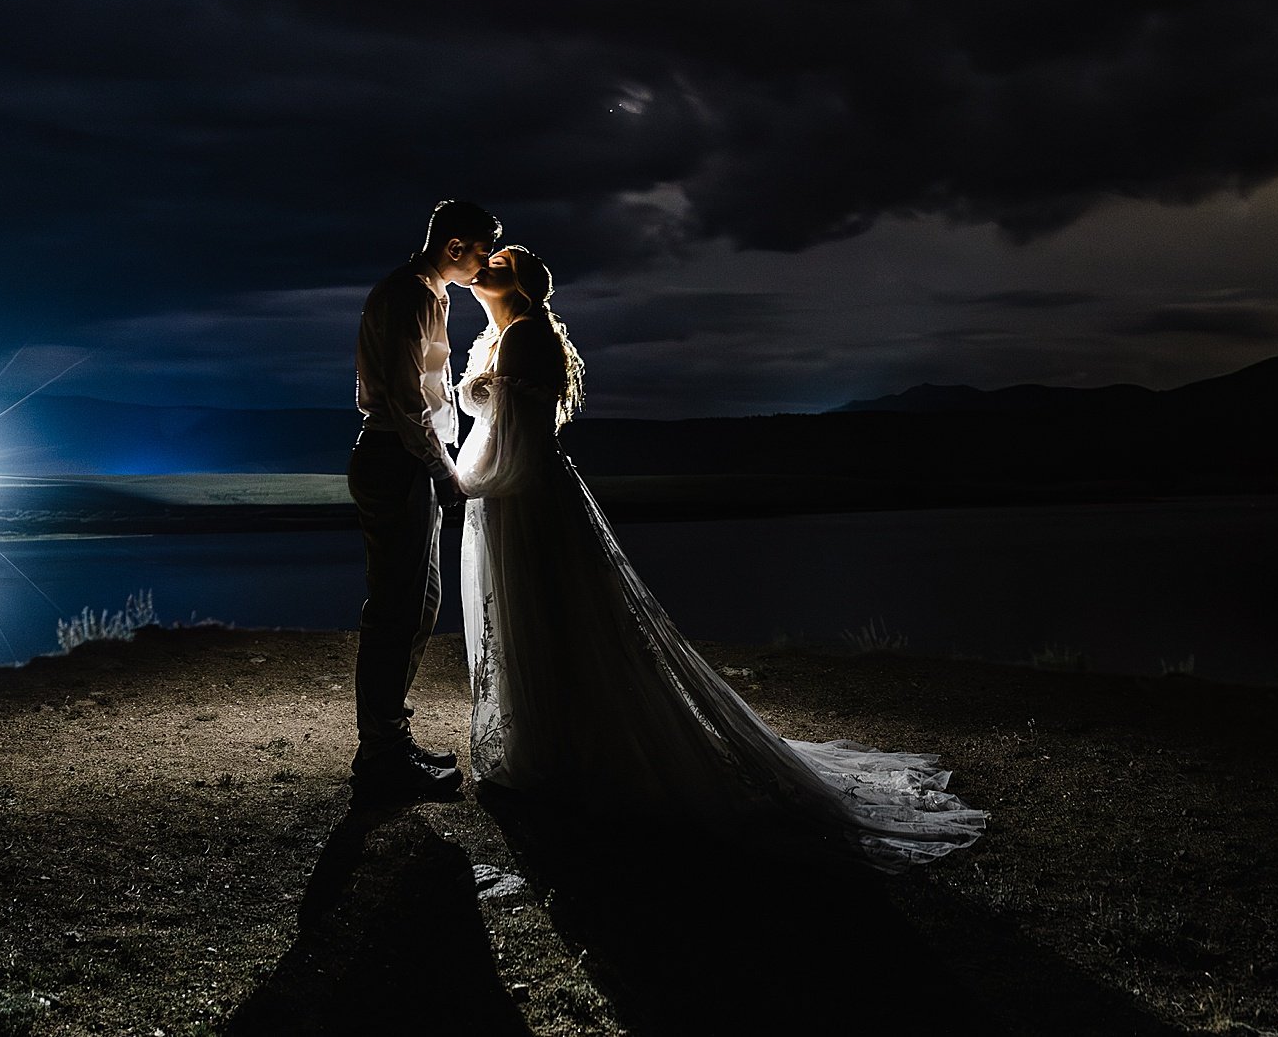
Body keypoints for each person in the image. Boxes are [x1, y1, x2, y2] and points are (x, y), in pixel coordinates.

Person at [455, 245, 986, 864]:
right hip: (524, 491)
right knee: (546, 616)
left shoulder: (522, 337)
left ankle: (559, 749)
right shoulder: (506, 335)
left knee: (546, 614)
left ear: (517, 286)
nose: (482, 271)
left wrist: (468, 481)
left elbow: (513, 437)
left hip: (525, 497)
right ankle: (553, 740)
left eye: (497, 266)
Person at [348, 196, 500, 805]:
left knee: (418, 605)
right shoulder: (410, 294)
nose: (483, 266)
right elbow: (409, 401)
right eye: (481, 252)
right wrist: (442, 472)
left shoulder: (425, 294)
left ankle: (389, 737)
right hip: (398, 460)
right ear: (455, 246)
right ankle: (381, 753)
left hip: (405, 460)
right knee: (396, 610)